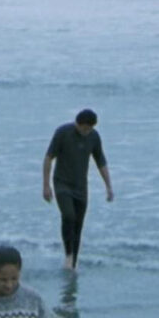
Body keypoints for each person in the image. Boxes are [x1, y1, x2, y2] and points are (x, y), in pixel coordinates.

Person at [42, 108, 114, 270]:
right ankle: (68, 255)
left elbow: (101, 161)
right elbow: (48, 158)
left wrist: (108, 186)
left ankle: (73, 262)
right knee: (69, 216)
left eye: (90, 129)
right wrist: (46, 185)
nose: (86, 132)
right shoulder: (62, 133)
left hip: (81, 187)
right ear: (77, 123)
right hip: (62, 183)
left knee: (78, 225)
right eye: (84, 128)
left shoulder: (94, 137)